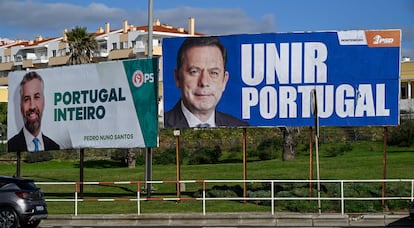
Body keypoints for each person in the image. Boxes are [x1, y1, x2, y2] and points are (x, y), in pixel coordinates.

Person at [164, 36, 249, 128]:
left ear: (224, 81)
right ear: (177, 78)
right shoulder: (156, 127)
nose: (204, 82)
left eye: (213, 73)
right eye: (194, 71)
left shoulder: (241, 128)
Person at [8, 71, 60, 152]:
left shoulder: (54, 146)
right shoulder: (11, 146)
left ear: (44, 102)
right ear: (20, 105)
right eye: (26, 99)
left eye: (36, 97)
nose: (32, 106)